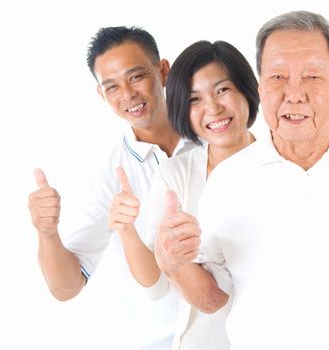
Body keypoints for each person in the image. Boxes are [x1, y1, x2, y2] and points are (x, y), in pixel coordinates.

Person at [154, 11, 329, 349]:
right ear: (260, 86)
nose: (294, 93)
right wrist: (172, 262)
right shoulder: (229, 181)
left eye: (312, 77)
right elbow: (212, 299)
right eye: (277, 77)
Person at [28, 26, 194, 350]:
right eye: (112, 86)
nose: (127, 95)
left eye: (135, 77)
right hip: (164, 342)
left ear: (163, 71)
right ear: (101, 95)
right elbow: (67, 287)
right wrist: (46, 232)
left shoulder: (216, 133)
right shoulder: (109, 173)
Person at [120, 40, 258, 349]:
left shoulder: (283, 166)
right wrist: (130, 232)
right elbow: (157, 289)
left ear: (247, 90)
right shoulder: (176, 175)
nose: (213, 108)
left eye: (223, 90)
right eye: (195, 99)